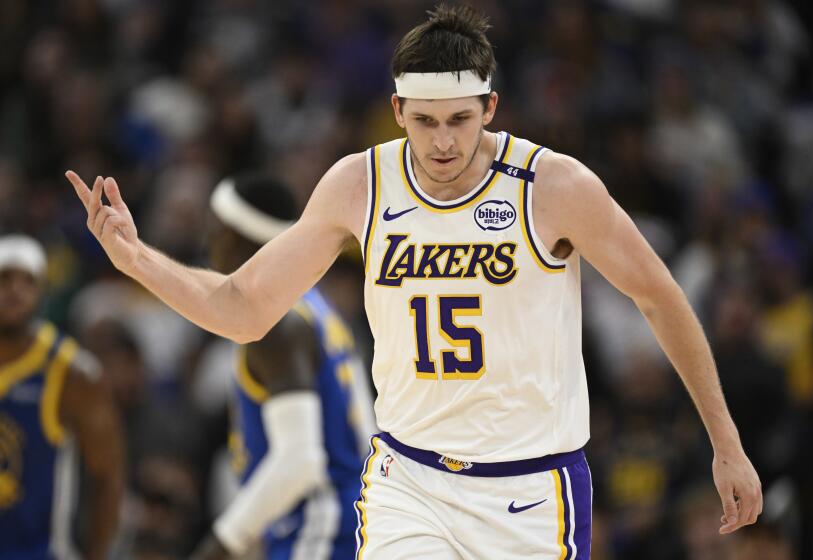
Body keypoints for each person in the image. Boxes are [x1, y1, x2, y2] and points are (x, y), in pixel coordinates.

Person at [66, 5, 762, 558]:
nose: (442, 143)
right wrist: (138, 259)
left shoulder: (554, 187)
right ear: (397, 112)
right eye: (424, 122)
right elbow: (245, 308)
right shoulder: (359, 184)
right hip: (409, 481)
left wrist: (725, 443)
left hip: (530, 488)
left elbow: (658, 294)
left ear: (491, 108)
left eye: (460, 120)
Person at [189, 174, 376, 560]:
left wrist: (221, 543)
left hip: (322, 530)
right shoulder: (316, 308)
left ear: (243, 242)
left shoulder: (278, 324)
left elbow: (300, 461)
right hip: (352, 524)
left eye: (218, 228)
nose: (208, 241)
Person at [0, 234, 123, 559]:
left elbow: (108, 478)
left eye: (28, 281)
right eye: (4, 279)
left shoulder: (74, 373)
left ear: (43, 291)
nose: (14, 290)